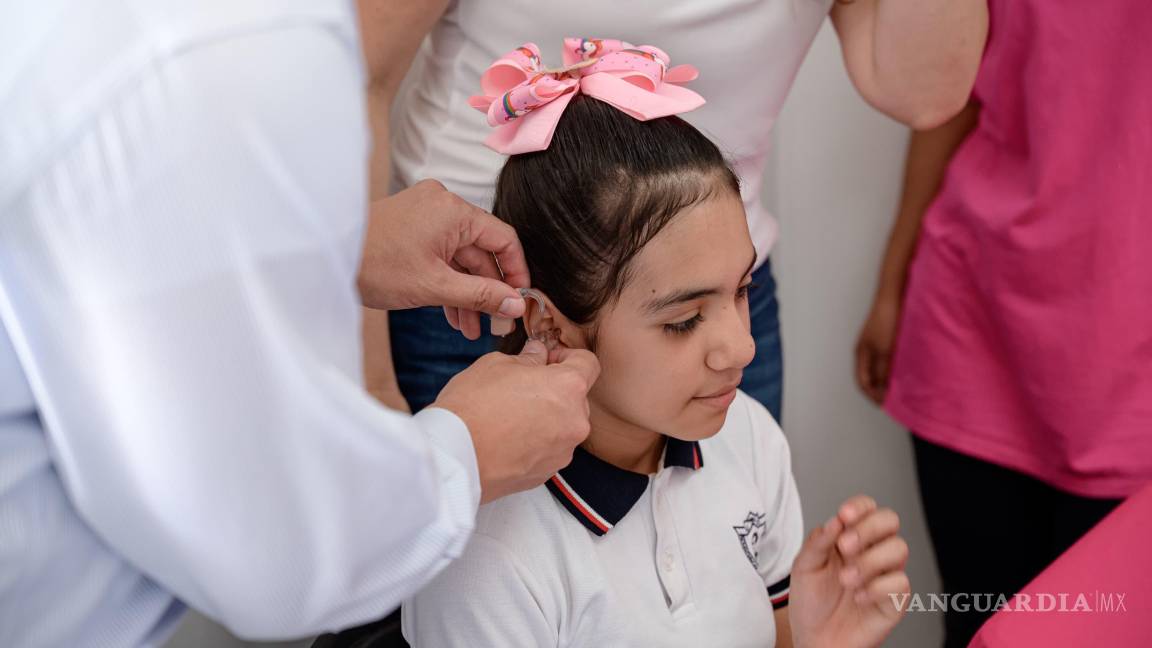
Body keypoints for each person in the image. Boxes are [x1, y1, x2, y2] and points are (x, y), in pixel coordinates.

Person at [0, 1, 600, 645]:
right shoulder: (234, 49)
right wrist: (467, 453)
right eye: (679, 319)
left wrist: (345, 244)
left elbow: (106, 241)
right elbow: (270, 558)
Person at [401, 43, 911, 647]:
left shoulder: (746, 437)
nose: (741, 349)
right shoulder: (488, 555)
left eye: (743, 289)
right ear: (548, 324)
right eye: (684, 320)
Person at [358, 0, 990, 421]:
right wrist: (364, 384)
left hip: (711, 296)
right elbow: (356, 71)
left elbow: (924, 90)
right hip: (480, 299)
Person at [854, 1, 1152, 645]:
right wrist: (892, 284)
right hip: (975, 321)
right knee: (980, 628)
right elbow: (951, 94)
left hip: (1132, 371)